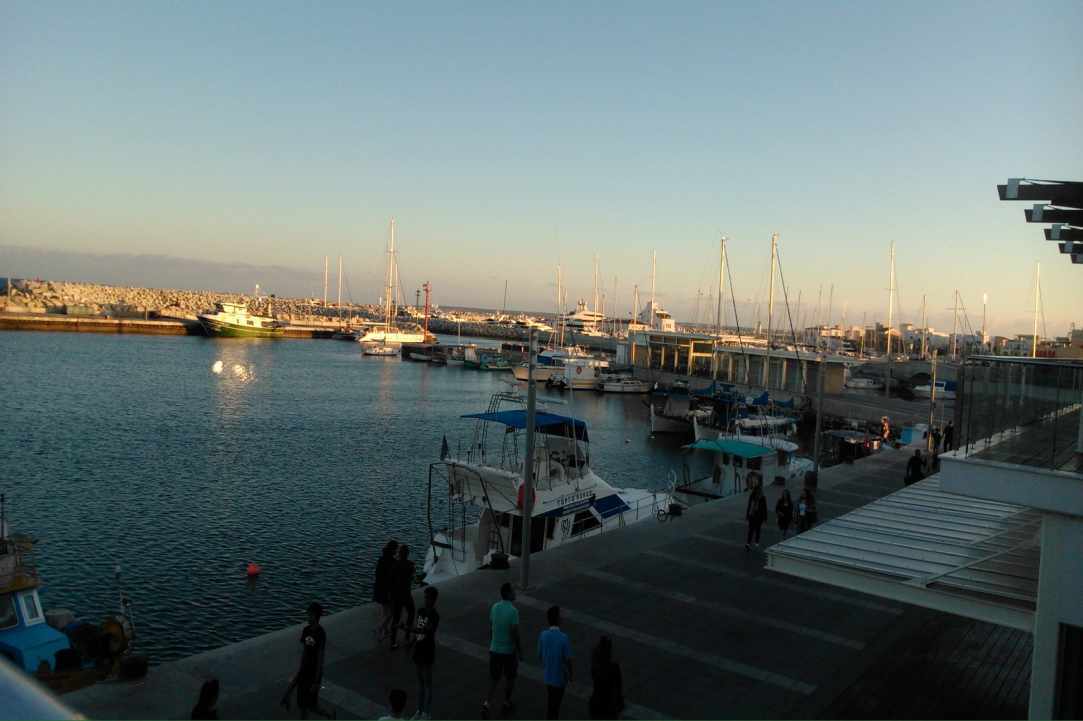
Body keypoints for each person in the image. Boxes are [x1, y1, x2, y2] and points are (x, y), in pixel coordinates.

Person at [281, 602, 335, 719]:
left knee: (311, 705)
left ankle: (329, 715)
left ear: (315, 616)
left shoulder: (321, 633)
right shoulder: (306, 630)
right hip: (305, 668)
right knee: (302, 704)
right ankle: (286, 698)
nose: (307, 617)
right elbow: (305, 650)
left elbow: (320, 657)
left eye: (309, 615)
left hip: (313, 672)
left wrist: (316, 681)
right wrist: (301, 666)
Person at [482, 582, 522, 719]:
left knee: (494, 678)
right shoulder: (514, 611)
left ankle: (487, 702)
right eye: (513, 591)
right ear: (508, 594)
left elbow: (491, 625)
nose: (515, 593)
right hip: (508, 651)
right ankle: (506, 701)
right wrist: (519, 650)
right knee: (510, 677)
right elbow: (514, 633)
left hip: (494, 649)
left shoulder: (494, 607)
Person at [408, 586, 440, 720]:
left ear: (434, 599)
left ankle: (427, 713)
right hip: (419, 648)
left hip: (428, 650)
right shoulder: (420, 611)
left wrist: (408, 629)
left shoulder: (434, 615)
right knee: (420, 681)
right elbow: (419, 627)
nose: (426, 600)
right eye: (425, 597)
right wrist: (412, 642)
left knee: (427, 682)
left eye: (428, 598)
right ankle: (419, 711)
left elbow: (426, 630)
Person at [538, 605, 573, 720]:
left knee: (551, 703)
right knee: (555, 706)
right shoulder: (564, 638)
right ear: (558, 619)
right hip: (560, 678)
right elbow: (568, 660)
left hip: (548, 676)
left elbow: (540, 655)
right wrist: (571, 675)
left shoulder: (543, 635)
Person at [589, 636, 623, 720]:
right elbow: (618, 686)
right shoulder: (614, 667)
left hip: (597, 703)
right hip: (609, 705)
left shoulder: (596, 666)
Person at [390, 544, 416, 649]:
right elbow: (412, 577)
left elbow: (391, 581)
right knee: (411, 612)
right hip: (406, 594)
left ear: (399, 554)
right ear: (407, 554)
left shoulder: (395, 565)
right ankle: (407, 636)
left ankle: (393, 641)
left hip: (397, 595)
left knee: (396, 618)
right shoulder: (410, 565)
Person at [374, 540, 399, 641]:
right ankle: (380, 628)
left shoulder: (381, 559)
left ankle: (384, 630)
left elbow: (378, 575)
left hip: (379, 588)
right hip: (388, 590)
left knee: (385, 611)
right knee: (391, 613)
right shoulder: (393, 562)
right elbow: (393, 578)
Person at [744, 486, 768, 550]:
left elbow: (765, 508)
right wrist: (747, 515)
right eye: (757, 490)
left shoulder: (763, 498)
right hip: (752, 515)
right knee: (751, 530)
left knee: (757, 530)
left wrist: (765, 518)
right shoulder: (752, 496)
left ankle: (756, 542)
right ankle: (748, 543)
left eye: (759, 490)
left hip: (759, 516)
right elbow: (749, 506)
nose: (758, 491)